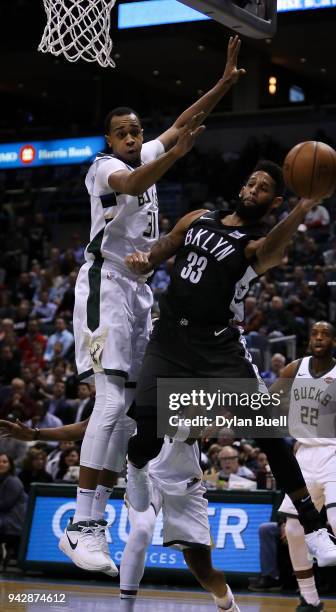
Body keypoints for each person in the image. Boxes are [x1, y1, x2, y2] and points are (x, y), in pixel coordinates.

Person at [59, 37, 247, 575]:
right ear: (108, 138)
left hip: (140, 293)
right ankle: (82, 526)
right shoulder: (102, 168)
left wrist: (225, 81)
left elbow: (185, 119)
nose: (134, 138)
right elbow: (136, 179)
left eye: (138, 131)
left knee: (136, 407)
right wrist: (171, 155)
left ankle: (112, 504)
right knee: (112, 405)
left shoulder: (144, 151)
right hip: (105, 285)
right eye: (124, 132)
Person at [125, 161, 336, 568]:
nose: (251, 190)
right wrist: (147, 259)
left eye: (262, 189)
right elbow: (166, 245)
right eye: (250, 182)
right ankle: (136, 468)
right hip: (171, 338)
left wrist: (302, 207)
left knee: (269, 437)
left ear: (273, 201)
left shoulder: (255, 241)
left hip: (219, 349)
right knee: (148, 431)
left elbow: (272, 253)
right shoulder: (198, 217)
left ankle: (315, 530)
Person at [0, 418, 241, 612]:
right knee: (141, 530)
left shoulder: (187, 385)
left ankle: (226, 602)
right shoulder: (136, 385)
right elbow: (89, 426)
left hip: (186, 488)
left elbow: (198, 430)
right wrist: (34, 434)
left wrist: (152, 418)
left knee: (205, 572)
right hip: (146, 478)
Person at [277, 322, 336, 611]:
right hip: (304, 454)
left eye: (325, 334)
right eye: (315, 334)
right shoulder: (293, 370)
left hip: (335, 454)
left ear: (333, 341)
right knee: (293, 528)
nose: (319, 338)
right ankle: (310, 598)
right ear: (309, 340)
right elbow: (267, 400)